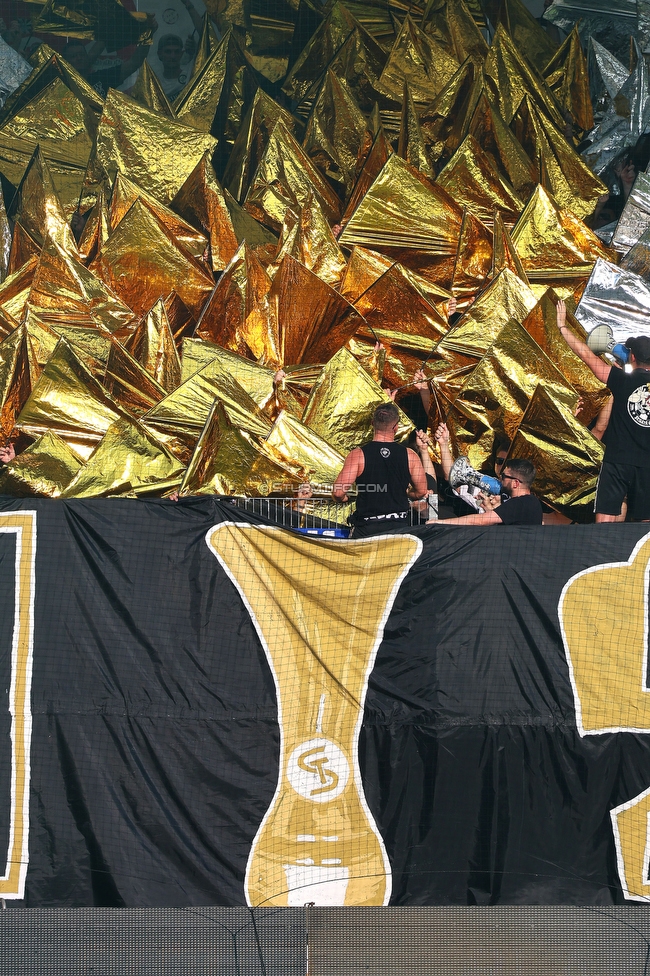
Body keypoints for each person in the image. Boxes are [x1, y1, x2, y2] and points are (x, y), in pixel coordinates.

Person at [557, 299, 650, 522]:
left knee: (604, 524)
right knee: (646, 528)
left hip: (617, 460)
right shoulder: (622, 378)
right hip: (648, 463)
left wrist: (563, 327)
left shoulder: (621, 380)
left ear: (633, 357)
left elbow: (587, 356)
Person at [332, 402, 427, 537]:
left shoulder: (358, 455)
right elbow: (422, 491)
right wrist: (407, 493)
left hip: (367, 528)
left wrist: (343, 499)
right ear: (396, 428)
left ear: (372, 423)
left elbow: (338, 492)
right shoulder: (410, 455)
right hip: (398, 528)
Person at [428, 459, 543, 525]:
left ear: (516, 483)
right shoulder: (530, 503)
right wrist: (490, 509)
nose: (500, 478)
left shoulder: (521, 503)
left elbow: (480, 521)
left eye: (504, 476)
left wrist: (441, 523)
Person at [435, 423, 509, 513]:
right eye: (500, 461)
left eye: (507, 463)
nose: (503, 466)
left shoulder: (521, 493)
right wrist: (443, 444)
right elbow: (452, 476)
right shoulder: (485, 484)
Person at [63, 30, 155, 97]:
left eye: (82, 54)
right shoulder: (61, 86)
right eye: (73, 56)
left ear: (87, 57)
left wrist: (148, 34)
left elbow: (134, 63)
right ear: (65, 62)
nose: (79, 58)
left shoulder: (101, 78)